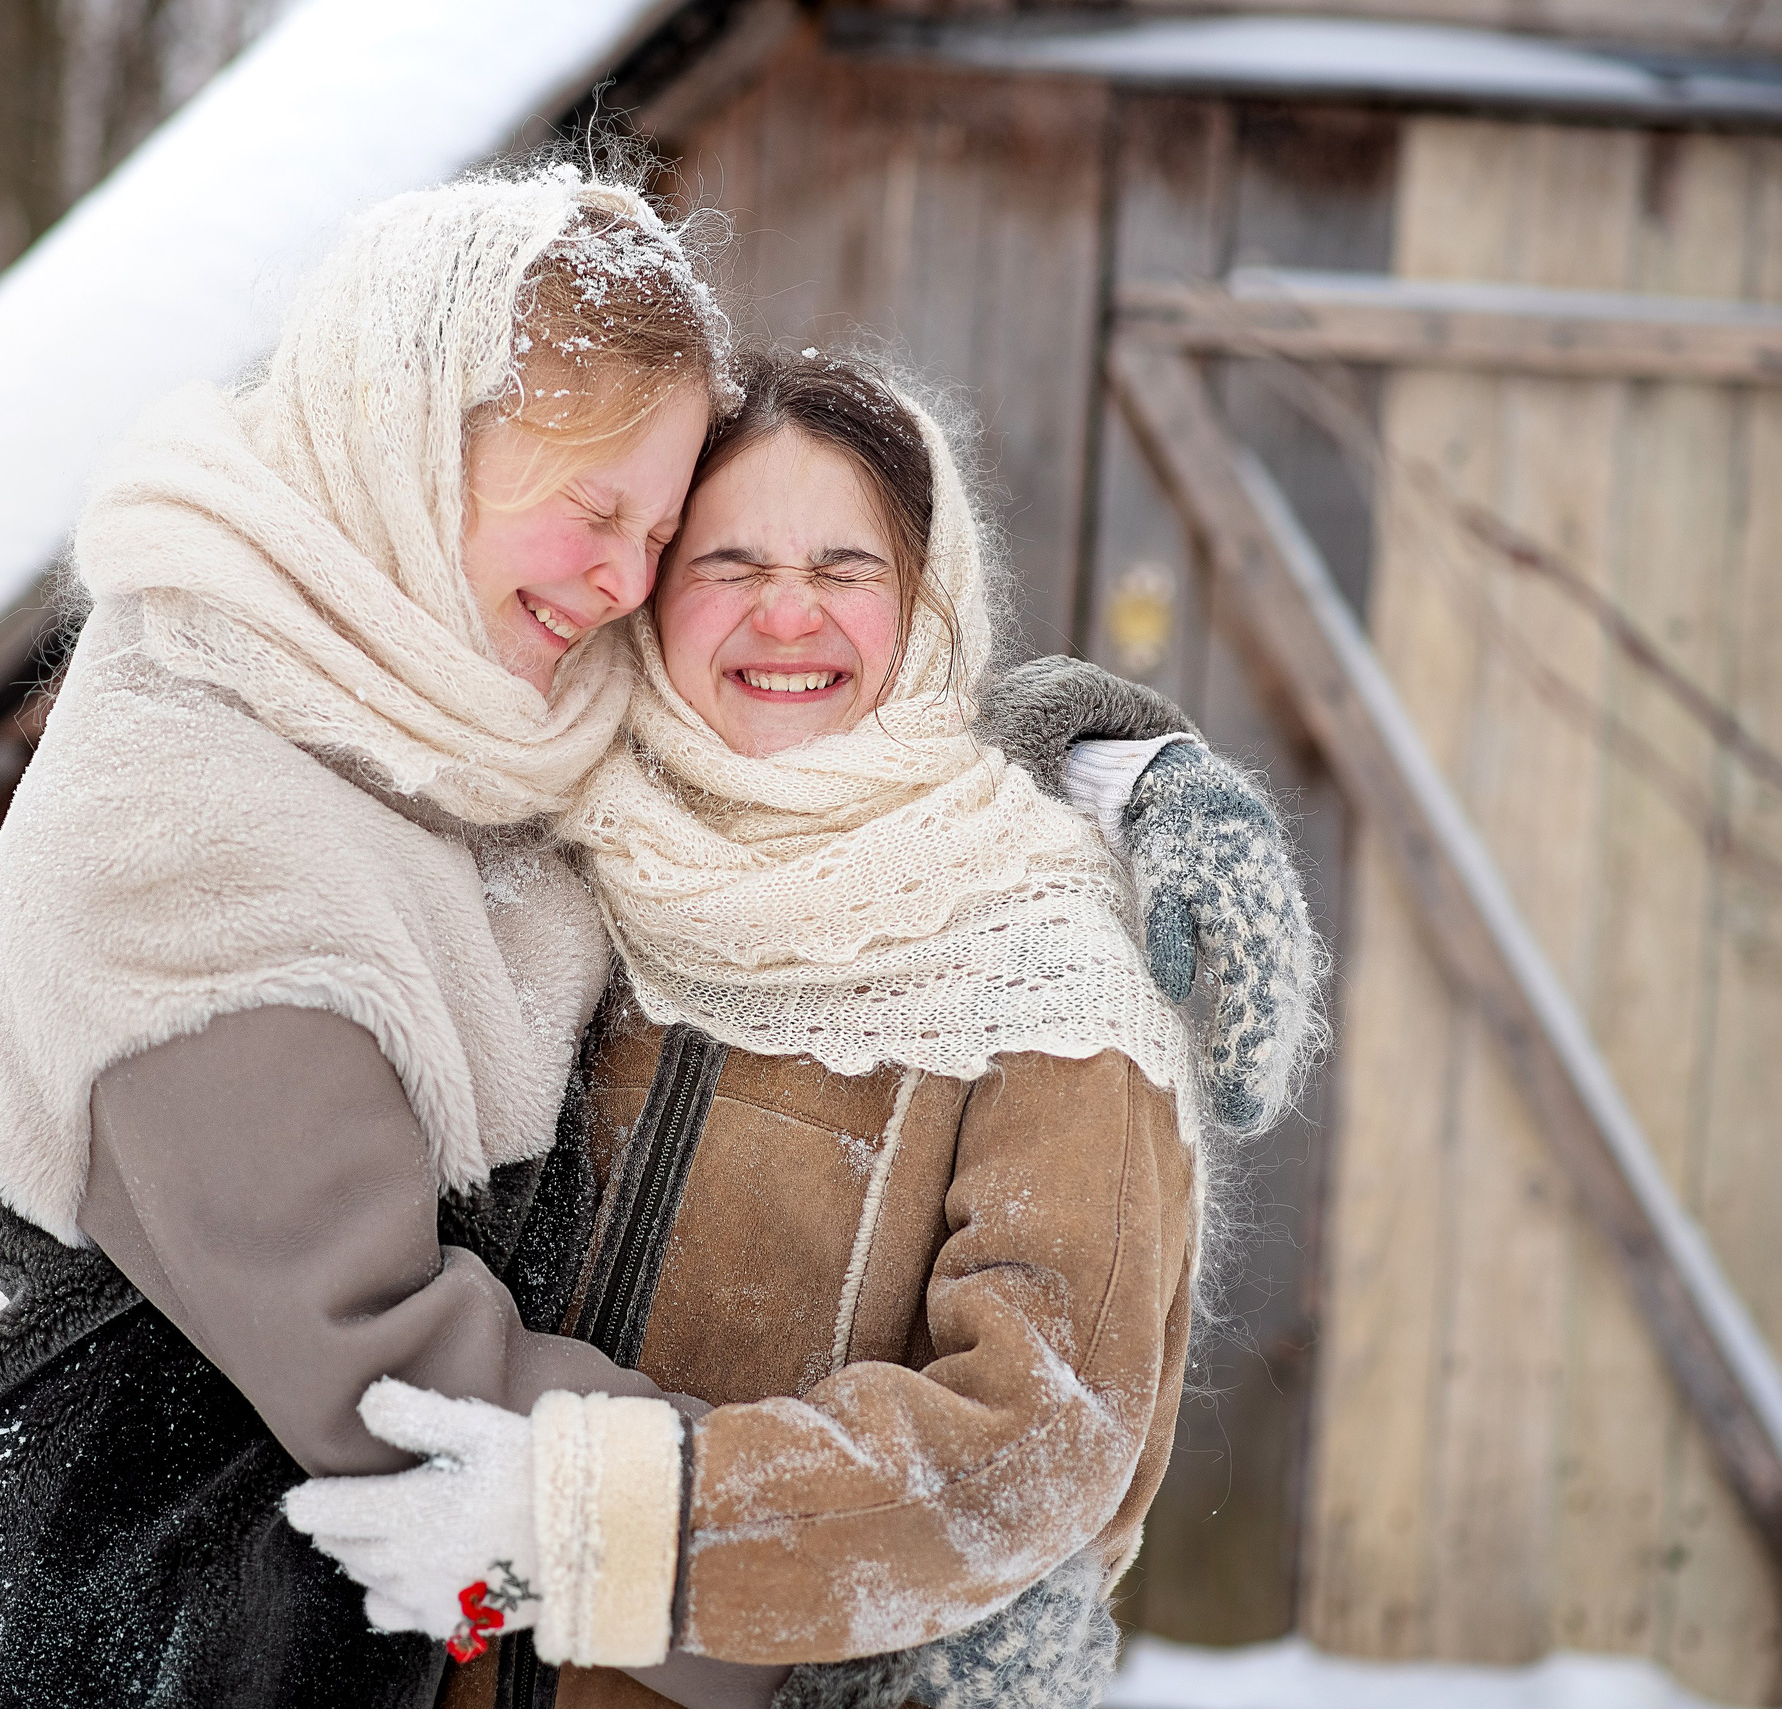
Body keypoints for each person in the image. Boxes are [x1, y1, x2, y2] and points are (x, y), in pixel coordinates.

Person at [0, 162, 1314, 1709]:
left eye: (657, 534)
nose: (629, 581)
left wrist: (1114, 753)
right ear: (412, 440)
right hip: (169, 1623)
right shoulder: (210, 820)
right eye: (674, 545)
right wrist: (830, 1628)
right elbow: (385, 1382)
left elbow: (858, 725)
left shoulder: (490, 708)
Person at [285, 350, 1291, 1709]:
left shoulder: (1042, 958)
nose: (786, 615)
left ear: (926, 603)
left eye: (845, 567)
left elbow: (1042, 1433)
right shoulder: (542, 844)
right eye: (730, 563)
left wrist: (599, 1519)